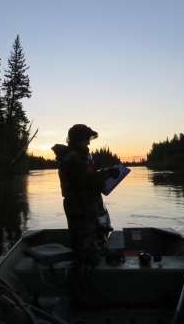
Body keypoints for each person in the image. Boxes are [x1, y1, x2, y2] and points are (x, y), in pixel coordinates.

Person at [51, 124, 120, 302]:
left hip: (85, 209)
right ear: (79, 139)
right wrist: (108, 173)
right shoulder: (74, 158)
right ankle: (77, 298)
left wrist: (97, 172)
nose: (88, 142)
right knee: (82, 255)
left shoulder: (78, 157)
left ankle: (86, 293)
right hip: (80, 210)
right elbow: (86, 181)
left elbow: (85, 179)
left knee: (90, 253)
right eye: (86, 139)